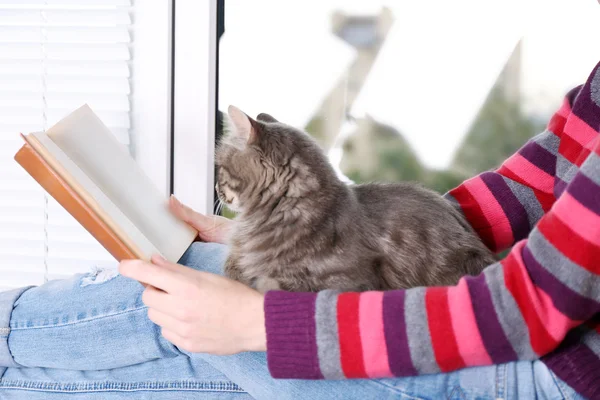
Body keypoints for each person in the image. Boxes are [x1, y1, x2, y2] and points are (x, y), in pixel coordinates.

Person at [1, 61, 600, 400]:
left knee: (163, 294)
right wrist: (302, 232)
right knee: (195, 360)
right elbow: (543, 177)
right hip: (517, 326)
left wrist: (257, 323)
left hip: (555, 372)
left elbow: (526, 308)